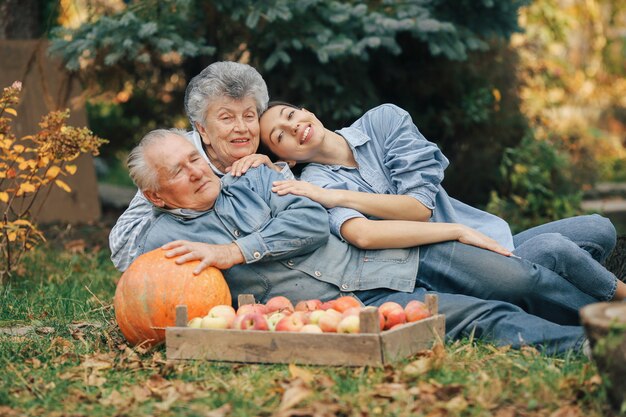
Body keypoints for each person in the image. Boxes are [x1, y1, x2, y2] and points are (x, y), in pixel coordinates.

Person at [125, 128, 588, 355]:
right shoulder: (164, 243)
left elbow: (308, 221)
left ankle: (610, 317)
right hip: (348, 309)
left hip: (386, 253)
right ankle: (594, 346)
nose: (196, 170)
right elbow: (151, 298)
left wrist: (234, 252)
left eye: (194, 158)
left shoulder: (253, 178)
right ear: (155, 194)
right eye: (177, 171)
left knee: (517, 277)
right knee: (486, 316)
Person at [257, 102, 625, 310]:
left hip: (490, 238)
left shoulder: (383, 121)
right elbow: (363, 234)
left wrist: (339, 197)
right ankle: (612, 312)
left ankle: (535, 286)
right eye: (280, 137)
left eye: (290, 116)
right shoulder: (312, 185)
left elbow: (420, 207)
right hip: (447, 267)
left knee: (599, 227)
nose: (294, 129)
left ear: (304, 109)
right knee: (555, 249)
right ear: (283, 156)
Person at [109, 61, 290, 271]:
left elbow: (304, 214)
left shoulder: (271, 143)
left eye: (249, 116)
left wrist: (276, 174)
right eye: (227, 118)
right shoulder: (173, 155)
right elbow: (122, 250)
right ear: (202, 129)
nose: (242, 128)